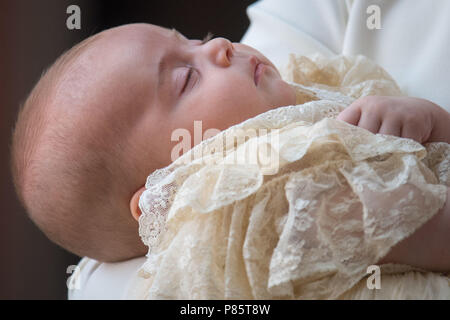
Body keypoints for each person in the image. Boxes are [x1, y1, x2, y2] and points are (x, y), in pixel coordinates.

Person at [9, 23, 450, 299]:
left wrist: (429, 121)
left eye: (194, 40)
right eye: (187, 77)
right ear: (165, 190)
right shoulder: (266, 206)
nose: (219, 45)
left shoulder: (304, 92)